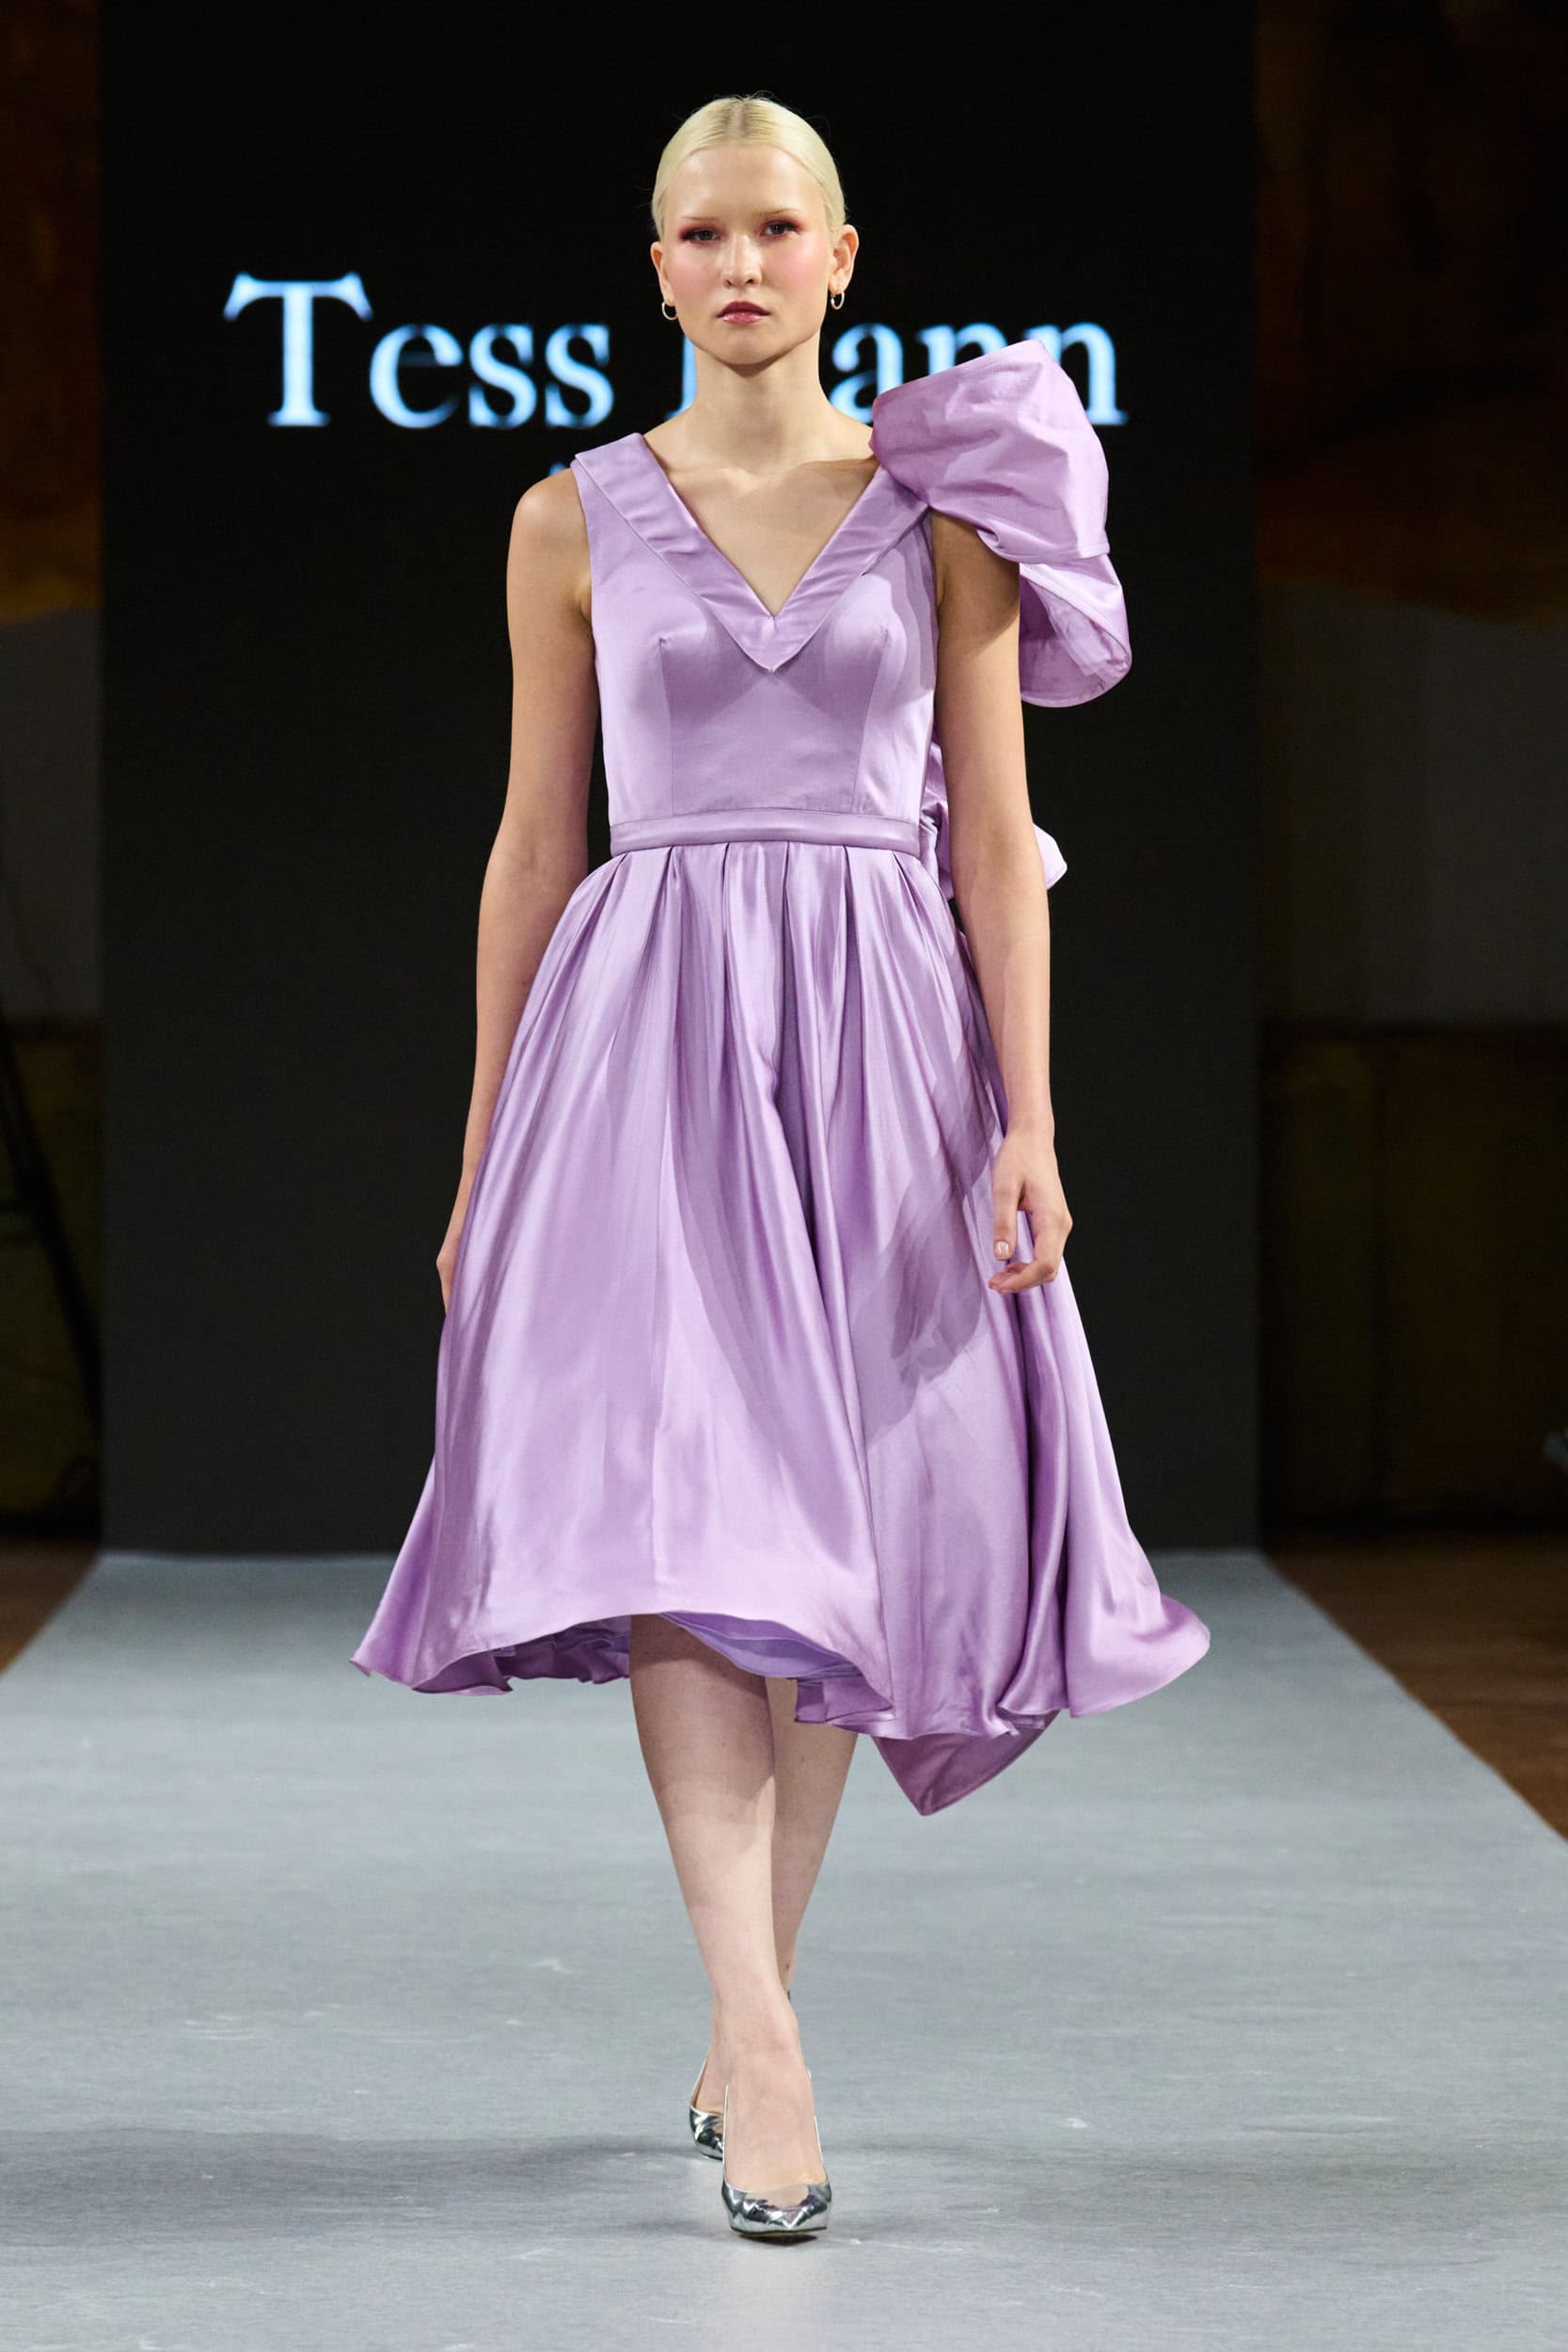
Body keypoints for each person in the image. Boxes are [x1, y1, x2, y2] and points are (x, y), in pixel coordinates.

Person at [351, 92, 1210, 2242]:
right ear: (655, 267)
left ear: (843, 256)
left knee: (838, 1531)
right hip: (645, 1043)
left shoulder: (944, 515)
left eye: (776, 227)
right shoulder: (568, 515)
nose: (741, 264)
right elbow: (534, 842)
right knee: (685, 1518)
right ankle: (772, 2039)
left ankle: (750, 2021)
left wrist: (1030, 1118)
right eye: (703, 231)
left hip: (884, 1039)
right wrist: (481, 1143)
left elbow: (995, 842)